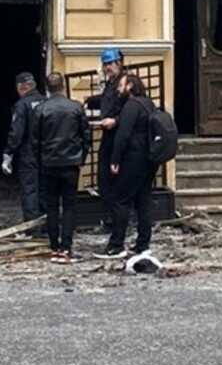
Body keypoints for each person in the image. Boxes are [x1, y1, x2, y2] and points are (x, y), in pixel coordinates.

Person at [95, 70, 156, 259]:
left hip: (133, 159)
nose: (118, 89)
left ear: (130, 86)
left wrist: (114, 160)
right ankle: (143, 244)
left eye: (121, 86)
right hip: (148, 160)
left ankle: (116, 246)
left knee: (120, 200)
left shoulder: (131, 105)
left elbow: (123, 135)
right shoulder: (148, 103)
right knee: (143, 201)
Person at [34, 72, 90, 262]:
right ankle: (66, 247)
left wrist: (39, 161)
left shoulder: (41, 109)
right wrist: (81, 158)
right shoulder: (76, 108)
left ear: (47, 88)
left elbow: (35, 140)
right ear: (63, 85)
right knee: (69, 205)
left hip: (49, 163)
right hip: (70, 163)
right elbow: (85, 136)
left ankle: (54, 247)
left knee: (51, 206)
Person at [89, 47, 125, 231]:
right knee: (104, 180)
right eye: (105, 64)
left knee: (115, 181)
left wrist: (115, 121)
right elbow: (106, 102)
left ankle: (117, 223)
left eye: (110, 64)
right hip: (109, 137)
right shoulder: (111, 83)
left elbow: (131, 111)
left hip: (120, 139)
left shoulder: (125, 83)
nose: (107, 68)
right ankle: (110, 220)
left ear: (119, 63)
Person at [2, 71, 45, 223]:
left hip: (28, 153)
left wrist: (8, 154)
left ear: (21, 88)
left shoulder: (21, 106)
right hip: (47, 152)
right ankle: (46, 226)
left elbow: (16, 133)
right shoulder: (46, 101)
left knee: (30, 189)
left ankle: (32, 228)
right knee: (44, 189)